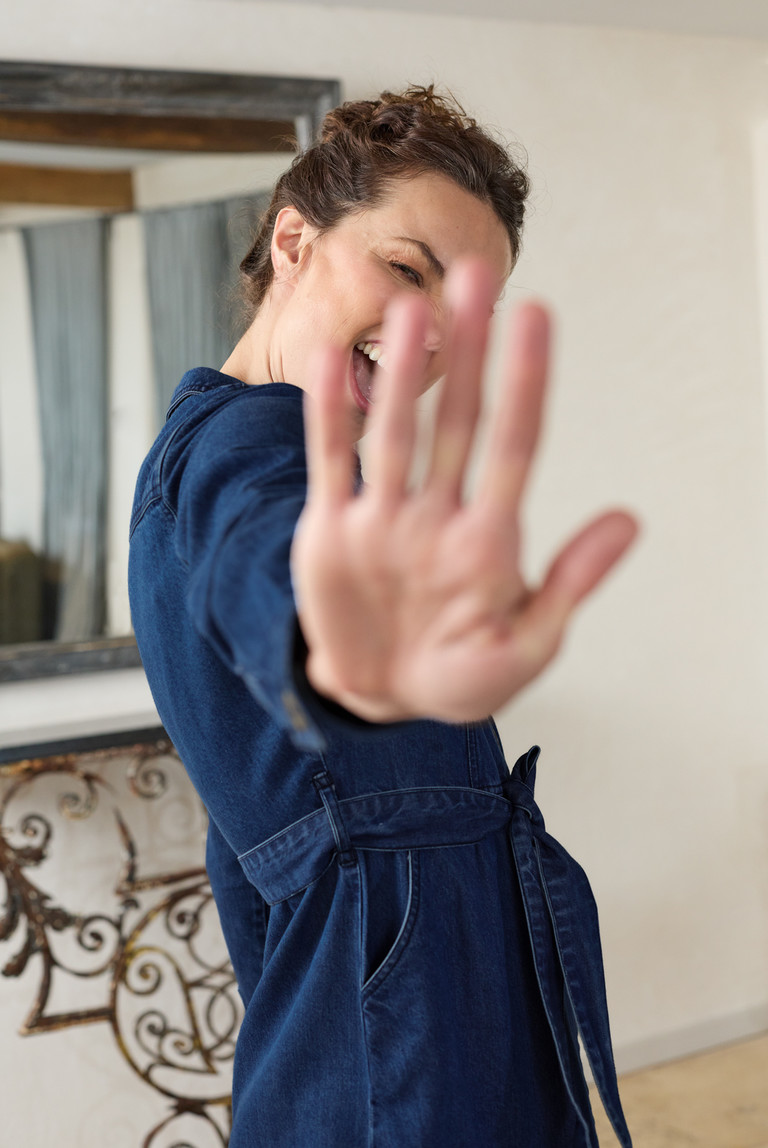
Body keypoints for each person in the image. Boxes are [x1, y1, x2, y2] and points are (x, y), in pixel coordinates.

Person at [128, 85, 638, 1147]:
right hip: (394, 1018)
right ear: (296, 241)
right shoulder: (242, 447)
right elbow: (260, 569)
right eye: (408, 269)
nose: (432, 332)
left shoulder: (304, 455)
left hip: (425, 978)